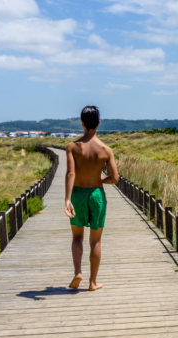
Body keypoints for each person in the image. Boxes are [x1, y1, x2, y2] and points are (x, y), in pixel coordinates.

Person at [64, 105, 118, 291]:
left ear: (82, 123)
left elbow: (70, 173)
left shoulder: (72, 147)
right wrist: (101, 179)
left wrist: (67, 199)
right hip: (96, 194)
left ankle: (78, 271)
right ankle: (93, 282)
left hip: (78, 193)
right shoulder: (105, 149)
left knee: (77, 236)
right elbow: (115, 178)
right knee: (95, 241)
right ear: (98, 123)